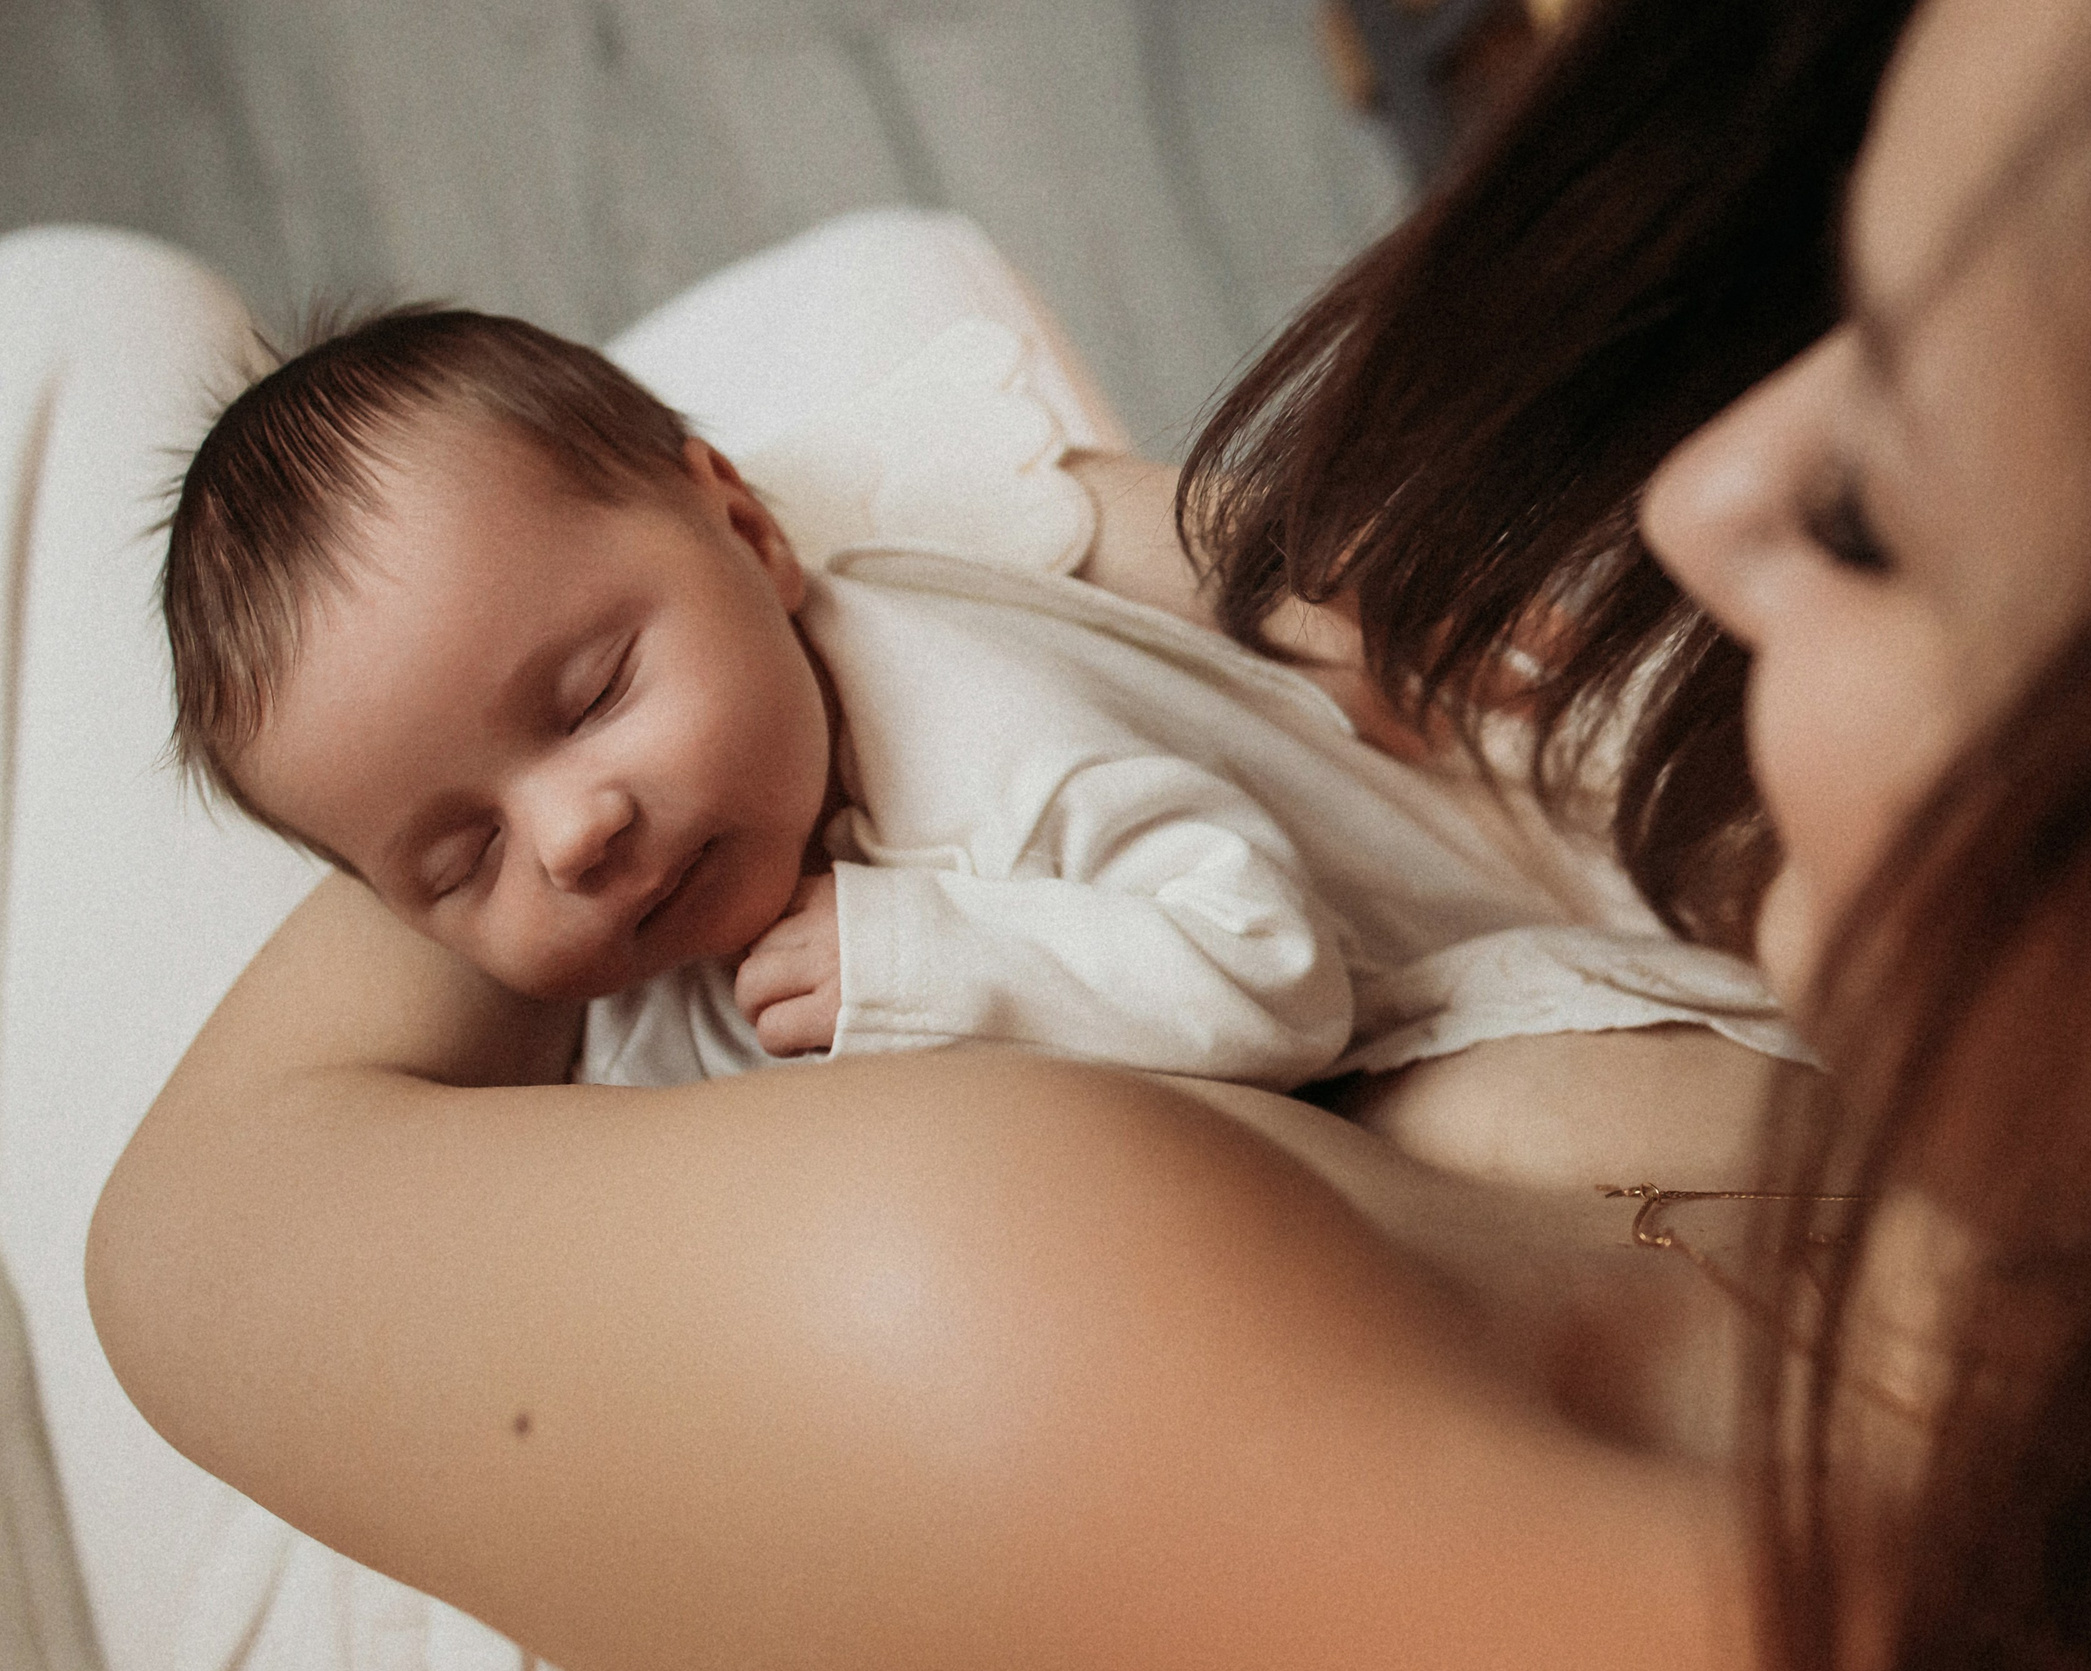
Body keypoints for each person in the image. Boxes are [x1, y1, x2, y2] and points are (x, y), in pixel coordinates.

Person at [85, 0, 2091, 1671]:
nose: (1694, 504)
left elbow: (198, 1235)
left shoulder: (1066, 1323)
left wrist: (525, 754)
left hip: (416, 1543)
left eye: (1873, 505)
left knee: (78, 339)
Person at [163, 305, 1790, 1102]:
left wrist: (925, 961)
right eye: (456, 864)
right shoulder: (644, 980)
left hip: (1495, 968)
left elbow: (1272, 973)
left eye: (593, 697)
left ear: (749, 530)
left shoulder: (960, 732)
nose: (574, 833)